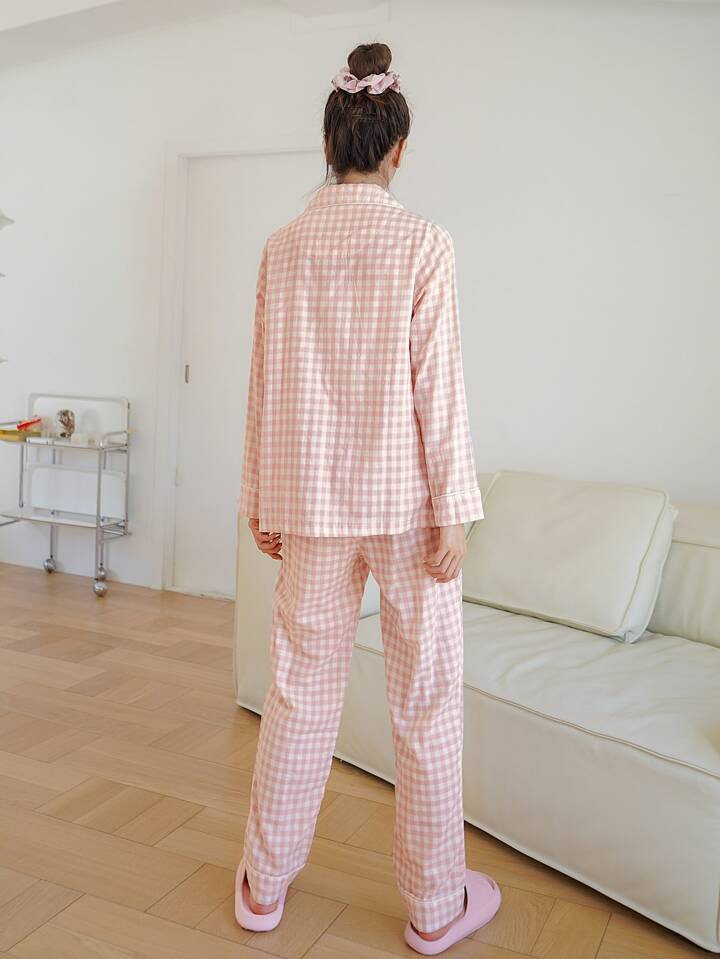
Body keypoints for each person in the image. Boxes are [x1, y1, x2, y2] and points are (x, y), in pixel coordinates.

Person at [233, 41, 501, 955]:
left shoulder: (282, 249)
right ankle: (434, 903)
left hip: (310, 505)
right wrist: (456, 506)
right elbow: (441, 387)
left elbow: (266, 381)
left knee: (298, 693)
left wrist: (260, 496)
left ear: (328, 143)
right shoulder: (425, 243)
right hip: (407, 508)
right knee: (426, 702)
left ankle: (264, 884)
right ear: (398, 148)